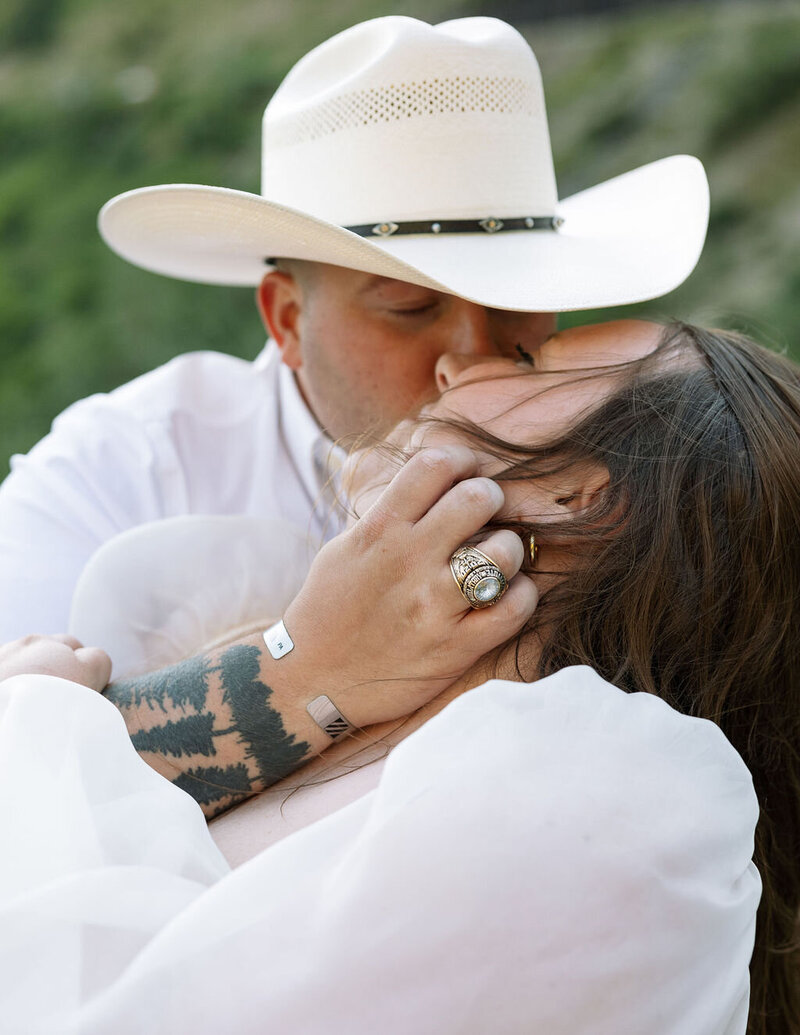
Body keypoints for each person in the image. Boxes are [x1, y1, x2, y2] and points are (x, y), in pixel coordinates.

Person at [1, 318, 796, 1033]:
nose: (455, 364)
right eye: (409, 309)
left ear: (579, 500)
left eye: (527, 359)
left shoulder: (608, 796)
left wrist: (27, 725)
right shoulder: (359, 686)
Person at [0, 14, 710, 648]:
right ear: (287, 320)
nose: (473, 356)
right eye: (408, 305)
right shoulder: (112, 478)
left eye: (514, 297)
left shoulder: (631, 452)